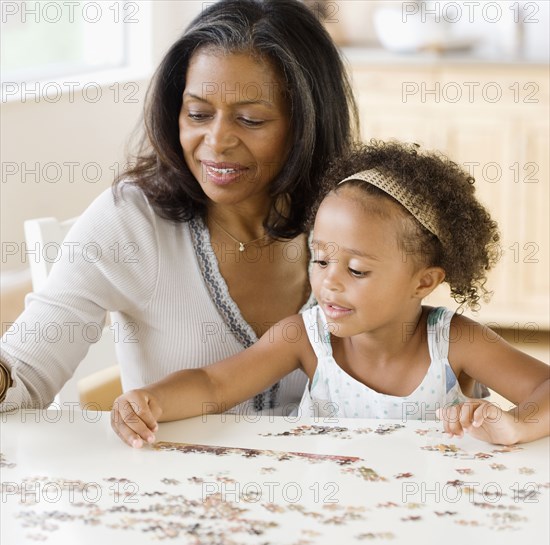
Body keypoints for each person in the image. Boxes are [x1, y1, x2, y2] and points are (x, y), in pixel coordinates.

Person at [0, 0, 358, 413]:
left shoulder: (352, 219)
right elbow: (25, 374)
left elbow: (412, 353)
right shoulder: (130, 222)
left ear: (307, 124)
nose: (217, 141)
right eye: (198, 114)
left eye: (250, 120)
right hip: (165, 477)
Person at [111, 140, 550, 448]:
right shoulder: (305, 337)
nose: (329, 282)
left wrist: (516, 425)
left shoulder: (454, 341)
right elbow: (214, 383)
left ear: (424, 282)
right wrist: (151, 400)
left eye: (357, 269)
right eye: (320, 260)